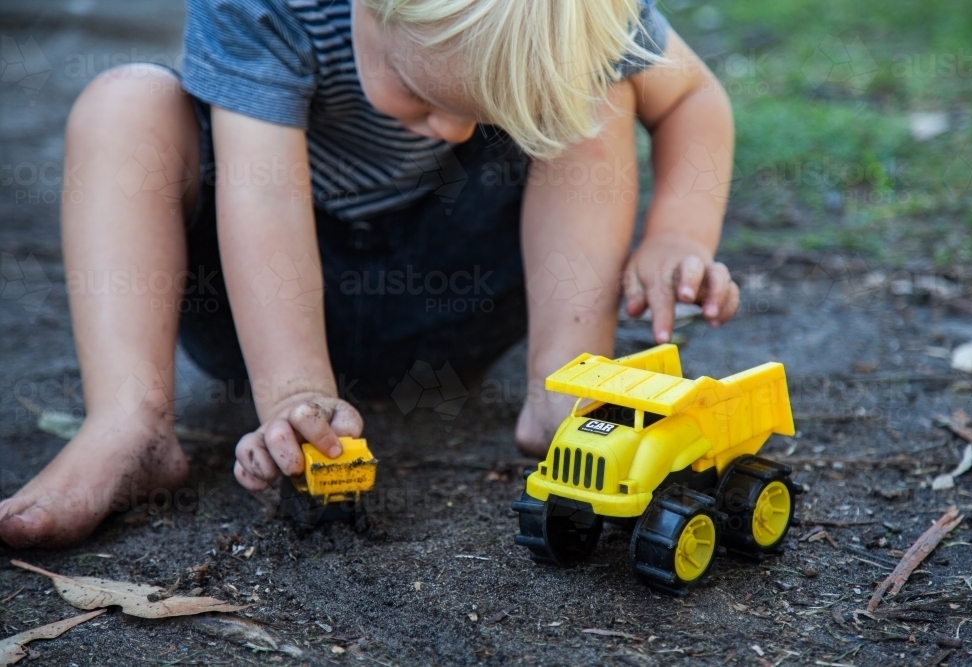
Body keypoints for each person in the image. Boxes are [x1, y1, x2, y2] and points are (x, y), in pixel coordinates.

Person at [0, 0, 739, 548]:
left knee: (594, 88)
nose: (452, 129)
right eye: (421, 96)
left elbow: (692, 98)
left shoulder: (572, 11)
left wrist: (678, 234)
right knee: (124, 103)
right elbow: (260, 196)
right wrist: (294, 394)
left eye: (480, 115)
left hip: (452, 293)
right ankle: (130, 422)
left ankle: (564, 382)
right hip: (255, 293)